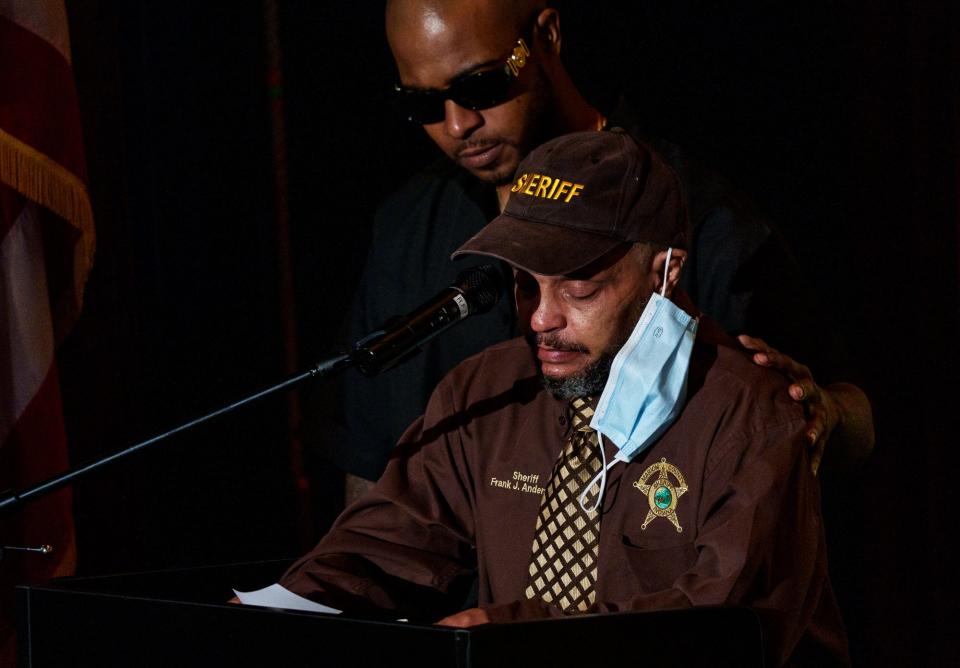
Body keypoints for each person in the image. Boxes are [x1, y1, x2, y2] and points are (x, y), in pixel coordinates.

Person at [282, 131, 850, 667]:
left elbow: (724, 630)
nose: (540, 318)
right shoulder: (485, 391)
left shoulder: (748, 413)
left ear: (665, 271)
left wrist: (522, 641)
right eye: (524, 283)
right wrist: (275, 611)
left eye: (579, 288)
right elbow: (385, 544)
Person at [317, 0, 873, 505]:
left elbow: (852, 417)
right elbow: (370, 465)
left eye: (483, 84)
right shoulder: (405, 229)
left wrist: (821, 412)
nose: (458, 124)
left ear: (547, 35)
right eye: (424, 103)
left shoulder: (702, 221)